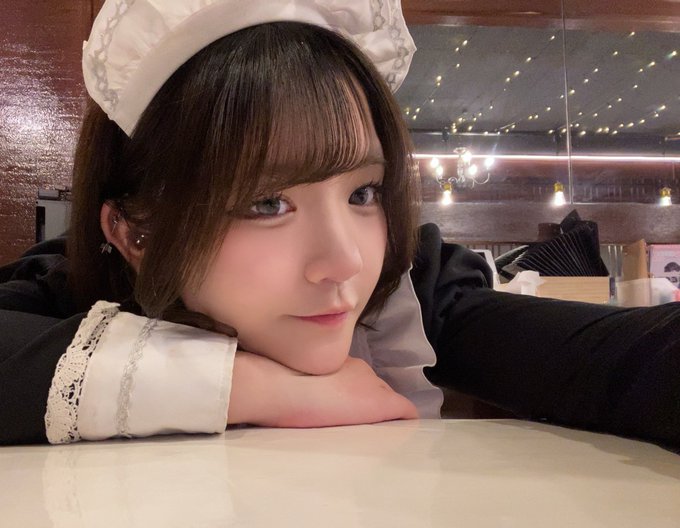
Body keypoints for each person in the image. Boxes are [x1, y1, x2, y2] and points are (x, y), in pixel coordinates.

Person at [1, 0, 679, 448]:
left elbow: (618, 361)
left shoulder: (414, 298)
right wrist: (257, 389)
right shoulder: (65, 296)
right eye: (267, 203)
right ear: (135, 235)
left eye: (364, 193)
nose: (347, 262)